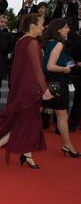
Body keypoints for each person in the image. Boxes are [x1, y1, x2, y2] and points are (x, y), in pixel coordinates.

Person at [0, 14, 52, 169]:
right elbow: (36, 69)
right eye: (42, 24)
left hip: (20, 88)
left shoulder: (21, 41)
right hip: (29, 90)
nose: (44, 27)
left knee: (29, 121)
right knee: (25, 122)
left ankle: (27, 154)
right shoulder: (32, 43)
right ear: (33, 26)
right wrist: (44, 89)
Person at [41, 18, 80, 157]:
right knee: (62, 115)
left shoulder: (48, 43)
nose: (68, 29)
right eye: (66, 27)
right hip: (57, 83)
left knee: (35, 112)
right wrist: (65, 69)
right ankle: (67, 145)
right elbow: (50, 66)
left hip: (47, 82)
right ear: (58, 29)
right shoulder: (58, 44)